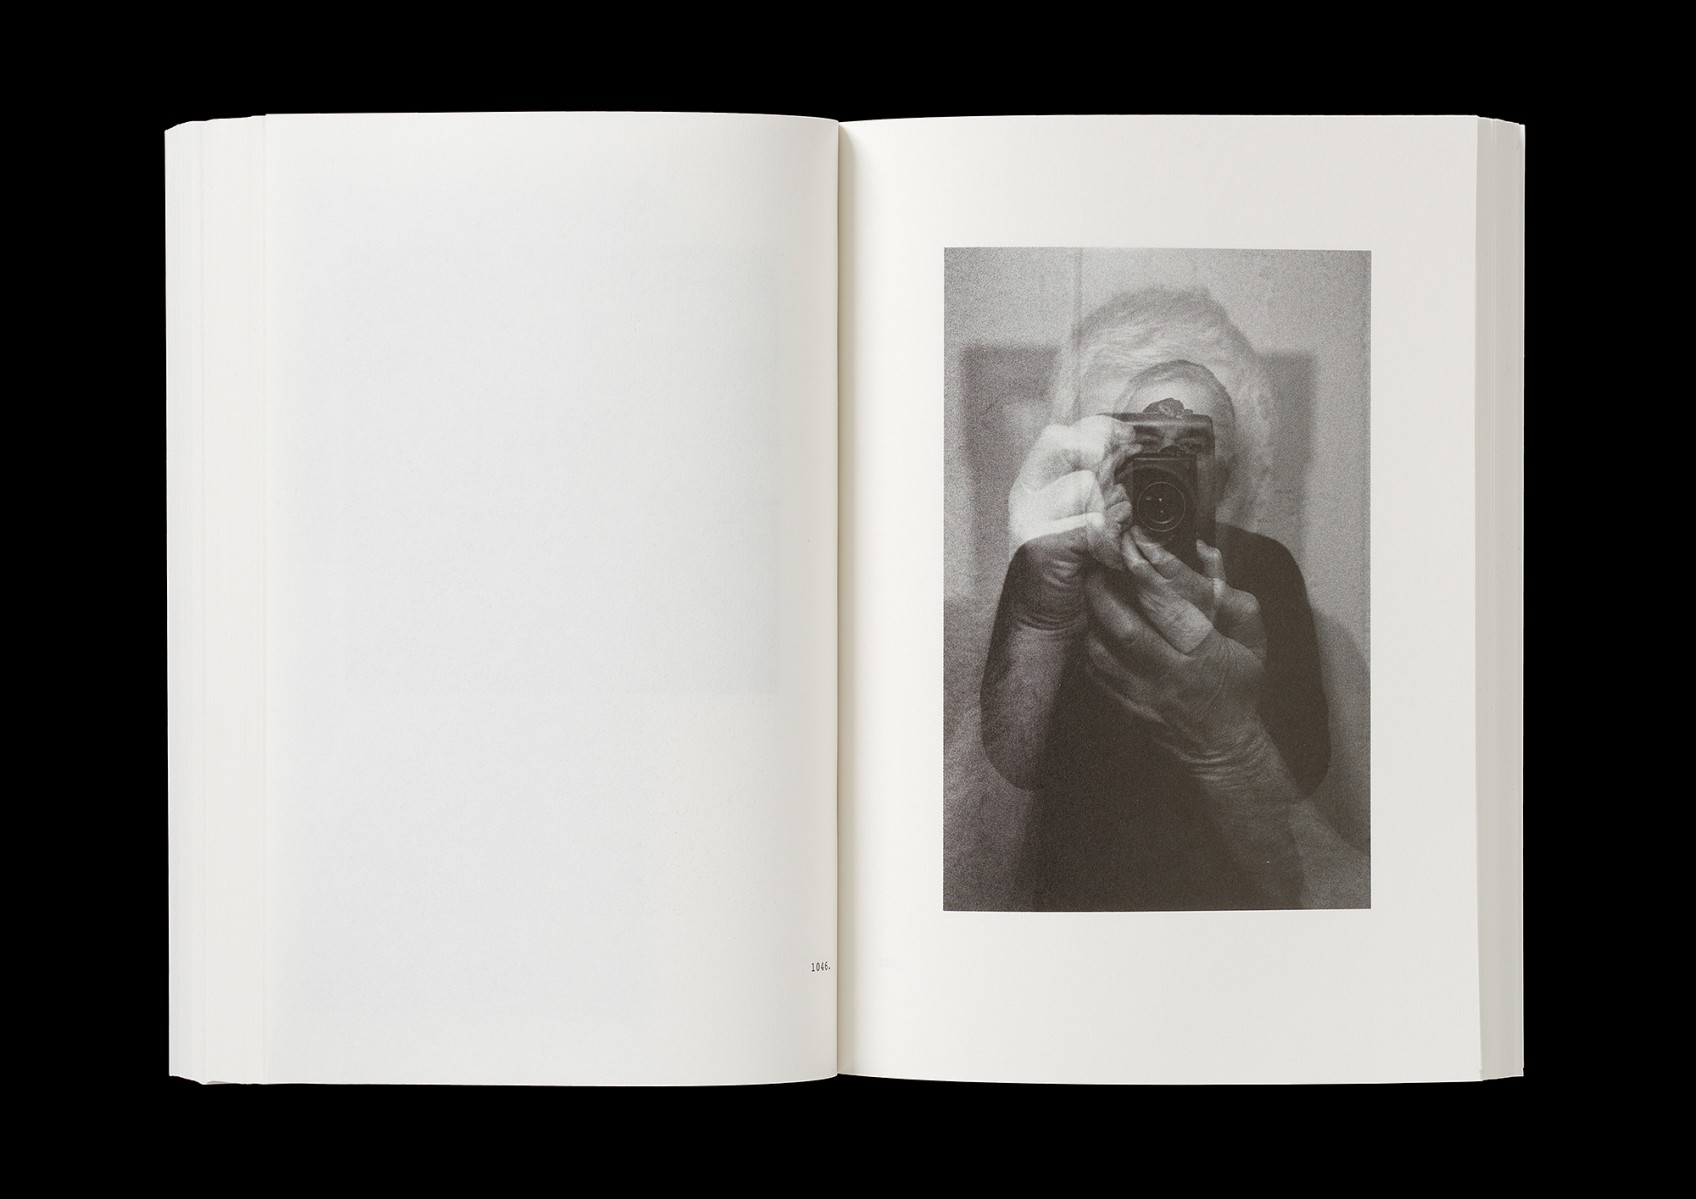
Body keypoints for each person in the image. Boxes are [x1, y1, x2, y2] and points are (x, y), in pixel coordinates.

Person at [974, 288, 1334, 911]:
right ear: (1094, 459)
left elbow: (1309, 850)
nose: (1164, 473)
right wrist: (1041, 621)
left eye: (1191, 447)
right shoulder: (1055, 565)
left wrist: (1233, 747)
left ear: (1229, 475)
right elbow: (993, 824)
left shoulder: (1264, 572)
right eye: (1139, 446)